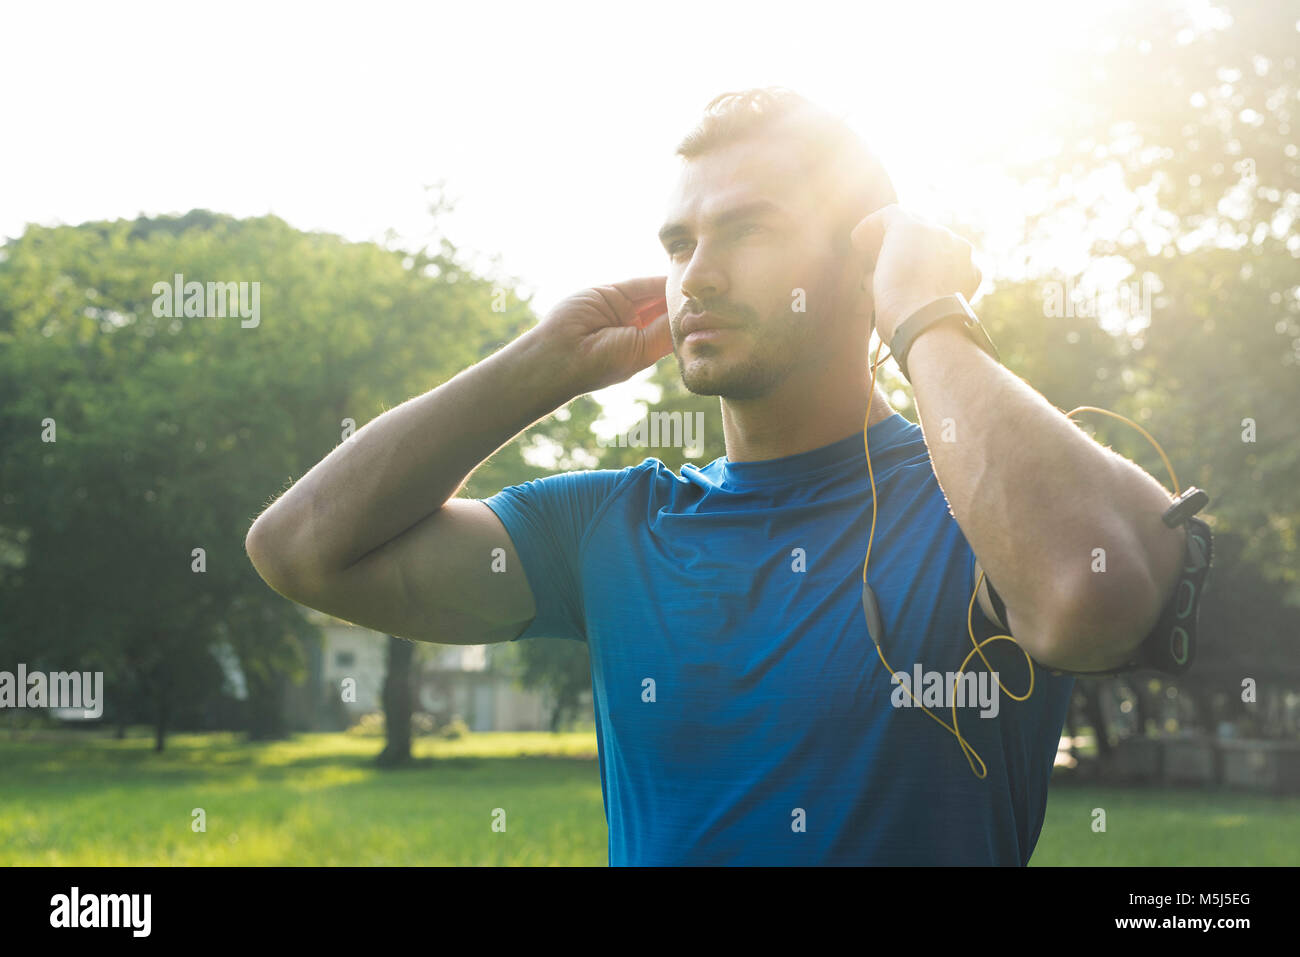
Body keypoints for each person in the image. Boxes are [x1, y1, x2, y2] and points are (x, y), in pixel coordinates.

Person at [245, 87, 1189, 865]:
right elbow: (301, 549)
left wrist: (924, 312)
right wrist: (542, 365)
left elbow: (1091, 596)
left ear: (866, 257)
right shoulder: (609, 527)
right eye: (678, 243)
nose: (694, 275)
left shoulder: (982, 500)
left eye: (743, 230)